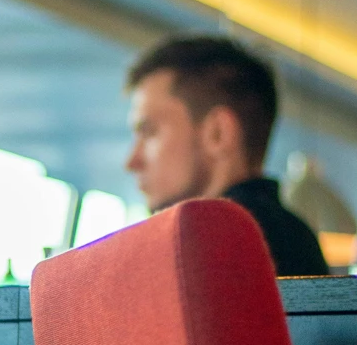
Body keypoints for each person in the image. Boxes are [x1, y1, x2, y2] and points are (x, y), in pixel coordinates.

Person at [124, 35, 328, 276]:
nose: (132, 162)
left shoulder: (206, 243)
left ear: (218, 133)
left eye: (149, 132)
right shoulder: (294, 236)